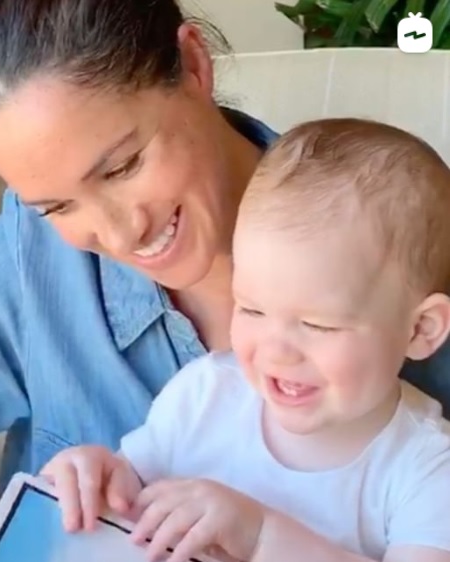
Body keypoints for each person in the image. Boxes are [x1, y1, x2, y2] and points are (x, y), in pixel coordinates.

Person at [0, 0, 448, 560]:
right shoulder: (28, 258)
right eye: (55, 206)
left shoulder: (400, 259)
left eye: (122, 166)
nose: (118, 233)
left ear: (193, 65)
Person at [41, 119, 450, 562]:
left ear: (421, 329)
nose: (274, 350)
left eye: (318, 325)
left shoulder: (427, 469)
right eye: (251, 309)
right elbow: (126, 498)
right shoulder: (204, 395)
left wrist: (261, 538)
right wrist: (94, 481)